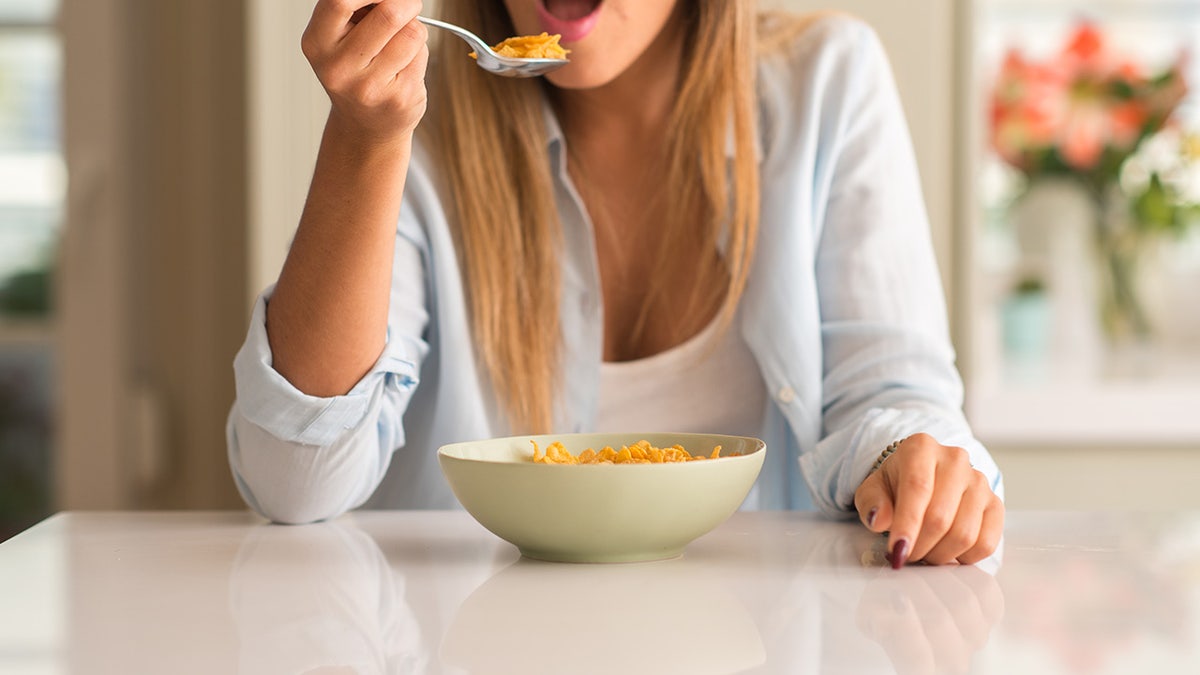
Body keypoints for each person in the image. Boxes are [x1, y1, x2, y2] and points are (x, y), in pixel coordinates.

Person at [227, 0, 1005, 569]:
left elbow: (893, 396)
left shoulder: (829, 84)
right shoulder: (414, 121)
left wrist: (914, 460)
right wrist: (364, 141)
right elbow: (295, 482)